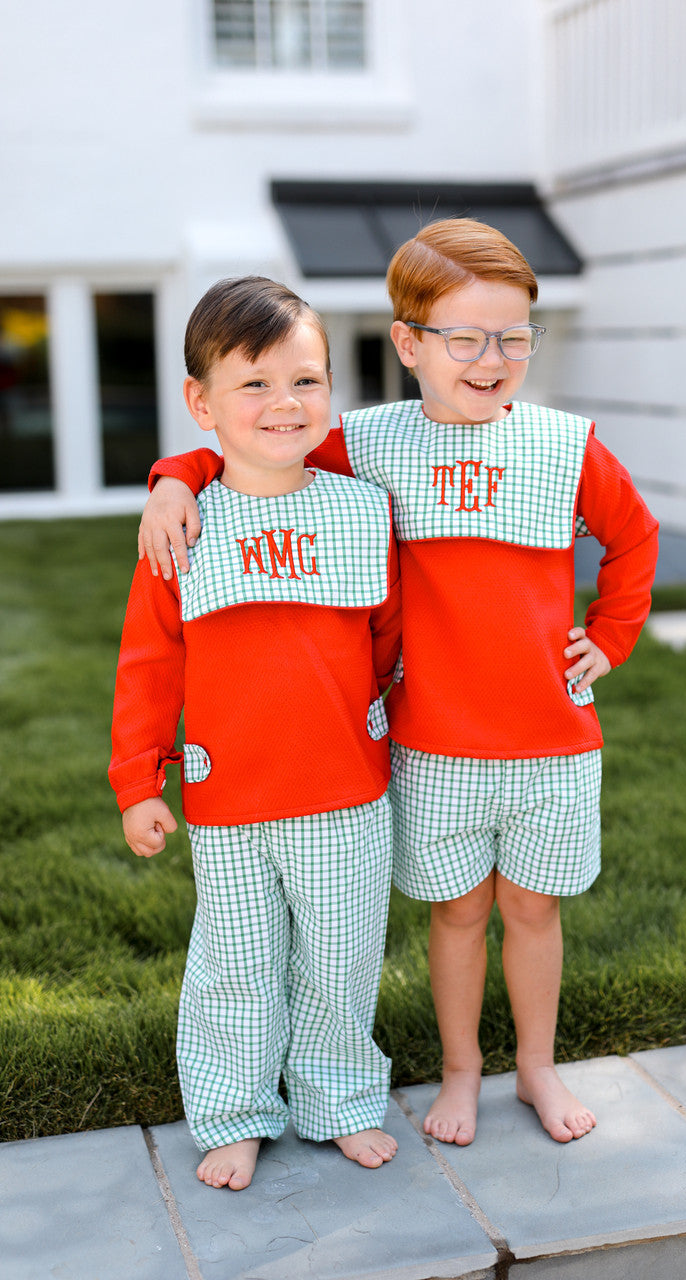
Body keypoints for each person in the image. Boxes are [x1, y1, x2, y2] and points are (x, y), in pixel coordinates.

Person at [137, 220, 659, 1150]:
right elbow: (257, 447)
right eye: (466, 337)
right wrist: (171, 478)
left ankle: (535, 1066)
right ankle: (460, 1071)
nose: (492, 358)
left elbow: (634, 536)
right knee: (457, 912)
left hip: (551, 738)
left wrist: (610, 638)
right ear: (410, 345)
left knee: (532, 910)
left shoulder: (564, 446)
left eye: (513, 337)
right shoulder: (368, 443)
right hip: (430, 738)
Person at [110, 276, 402, 1190]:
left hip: (347, 791)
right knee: (233, 966)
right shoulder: (182, 527)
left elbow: (388, 641)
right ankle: (235, 1109)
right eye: (254, 384)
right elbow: (148, 665)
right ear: (200, 403)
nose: (285, 404)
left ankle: (340, 1099)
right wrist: (137, 782)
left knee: (342, 964)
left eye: (306, 381)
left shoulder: (362, 509)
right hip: (230, 794)